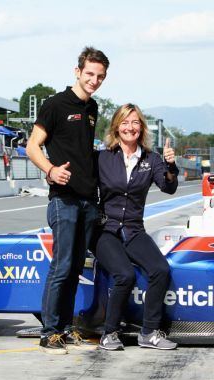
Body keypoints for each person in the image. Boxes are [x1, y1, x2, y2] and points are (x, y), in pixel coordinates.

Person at [26, 46, 110, 354]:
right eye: (89, 74)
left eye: (100, 76)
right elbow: (32, 146)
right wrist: (50, 170)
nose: (94, 80)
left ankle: (65, 328)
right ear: (78, 72)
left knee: (75, 267)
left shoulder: (93, 108)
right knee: (61, 266)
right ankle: (49, 332)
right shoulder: (55, 104)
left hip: (88, 201)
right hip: (63, 199)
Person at [95, 104, 178, 351]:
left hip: (133, 229)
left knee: (160, 270)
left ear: (141, 127)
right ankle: (109, 333)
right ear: (116, 127)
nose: (130, 127)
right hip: (105, 230)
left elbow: (168, 186)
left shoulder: (151, 159)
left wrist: (171, 166)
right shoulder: (101, 157)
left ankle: (149, 332)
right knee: (125, 275)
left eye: (135, 122)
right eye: (124, 122)